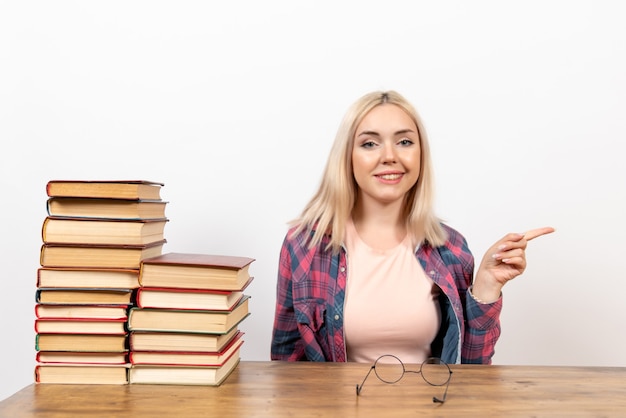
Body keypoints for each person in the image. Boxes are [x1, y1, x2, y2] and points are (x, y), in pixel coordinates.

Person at [270, 90, 554, 365]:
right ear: (347, 156)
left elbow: (472, 372)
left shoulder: (450, 248)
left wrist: (487, 285)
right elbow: (286, 367)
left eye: (404, 142)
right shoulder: (303, 244)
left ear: (420, 154)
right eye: (370, 144)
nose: (389, 156)